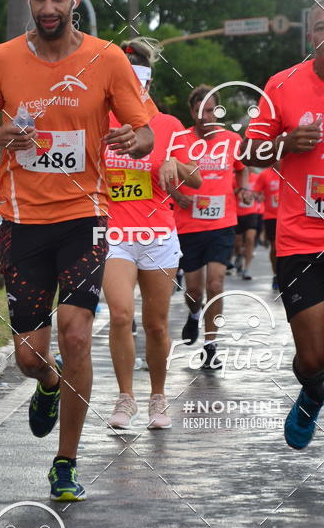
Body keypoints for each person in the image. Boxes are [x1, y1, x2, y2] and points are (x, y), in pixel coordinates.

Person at [0, 0, 154, 501]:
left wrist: (130, 140)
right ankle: (47, 383)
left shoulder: (107, 59)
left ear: (76, 0)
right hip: (22, 222)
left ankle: (65, 462)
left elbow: (144, 133)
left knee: (75, 334)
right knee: (29, 355)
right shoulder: (2, 60)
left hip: (84, 218)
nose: (50, 7)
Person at [103, 39, 201, 431]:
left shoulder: (168, 125)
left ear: (147, 82)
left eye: (138, 82)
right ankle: (125, 397)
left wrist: (175, 162)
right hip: (115, 235)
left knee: (156, 325)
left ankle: (157, 396)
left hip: (159, 236)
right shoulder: (102, 122)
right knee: (121, 315)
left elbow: (196, 181)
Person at [242, 0, 324, 450]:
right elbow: (249, 151)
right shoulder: (282, 84)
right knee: (312, 357)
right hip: (300, 238)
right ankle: (312, 394)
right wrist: (286, 143)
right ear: (309, 35)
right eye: (319, 28)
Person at [168, 86, 250, 369]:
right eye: (199, 111)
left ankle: (210, 345)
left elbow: (242, 168)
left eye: (211, 109)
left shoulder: (231, 139)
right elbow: (163, 169)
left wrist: (243, 189)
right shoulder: (180, 141)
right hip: (189, 225)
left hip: (222, 223)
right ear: (191, 113)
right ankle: (194, 316)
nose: (205, 116)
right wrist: (176, 195)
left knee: (216, 283)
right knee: (194, 292)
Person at [254, 163, 280, 289]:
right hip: (271, 216)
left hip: (292, 215)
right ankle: (276, 274)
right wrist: (258, 196)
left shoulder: (291, 169)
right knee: (275, 248)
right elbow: (256, 192)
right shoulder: (265, 174)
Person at [233, 169, 260, 280]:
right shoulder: (234, 177)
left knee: (250, 239)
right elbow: (228, 192)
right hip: (237, 213)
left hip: (251, 213)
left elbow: (260, 192)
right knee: (237, 242)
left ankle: (246, 268)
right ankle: (239, 254)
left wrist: (255, 195)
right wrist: (240, 190)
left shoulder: (256, 177)